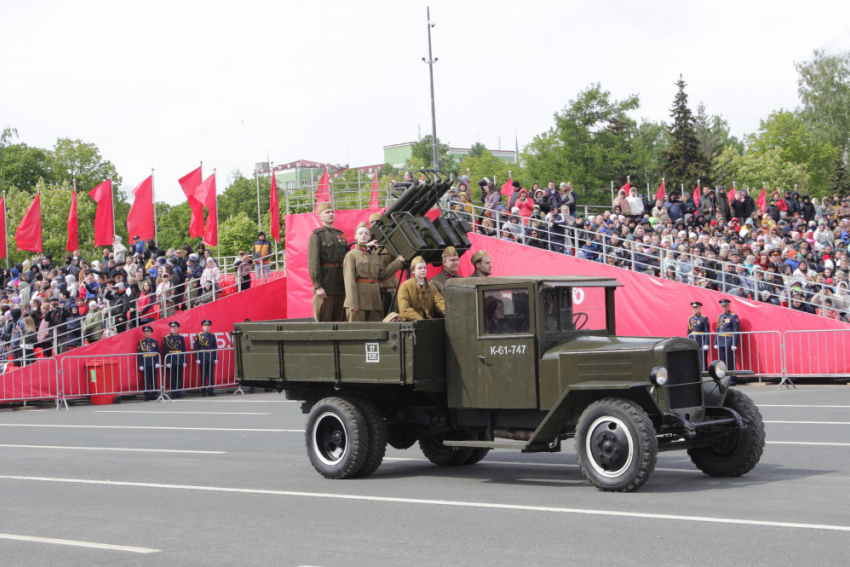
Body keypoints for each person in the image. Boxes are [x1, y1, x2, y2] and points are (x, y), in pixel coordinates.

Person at [342, 222, 404, 322]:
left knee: (375, 332)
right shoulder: (351, 255)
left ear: (369, 237)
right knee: (358, 332)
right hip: (359, 301)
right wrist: (353, 303)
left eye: (366, 233)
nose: (363, 235)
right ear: (355, 237)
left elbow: (383, 275)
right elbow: (349, 281)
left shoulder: (375, 256)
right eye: (360, 233)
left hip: (375, 301)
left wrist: (398, 262)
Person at [308, 203, 347, 322]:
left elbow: (347, 255)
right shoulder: (317, 235)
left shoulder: (340, 234)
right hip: (326, 286)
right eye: (327, 212)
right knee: (325, 322)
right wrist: (318, 286)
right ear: (320, 217)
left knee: (340, 322)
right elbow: (313, 262)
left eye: (332, 211)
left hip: (341, 285)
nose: (331, 214)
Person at [369, 212, 400, 315]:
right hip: (378, 288)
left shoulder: (390, 242)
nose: (375, 226)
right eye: (372, 223)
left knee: (393, 316)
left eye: (377, 223)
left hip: (391, 286)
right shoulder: (368, 245)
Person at [397, 257, 445, 321]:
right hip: (412, 324)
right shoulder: (405, 286)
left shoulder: (431, 288)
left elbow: (441, 303)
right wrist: (421, 320)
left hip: (428, 323)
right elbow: (404, 309)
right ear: (413, 271)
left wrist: (452, 312)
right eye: (419, 268)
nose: (423, 270)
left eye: (424, 268)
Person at [715, 299, 739, 379]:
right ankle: (724, 378)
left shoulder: (733, 316)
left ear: (729, 306)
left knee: (730, 360)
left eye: (725, 306)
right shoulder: (720, 316)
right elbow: (717, 330)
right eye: (723, 306)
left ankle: (732, 379)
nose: (724, 308)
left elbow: (736, 330)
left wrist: (734, 343)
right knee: (723, 361)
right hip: (721, 341)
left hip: (729, 341)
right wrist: (716, 342)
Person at [163, 321, 186, 399]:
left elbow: (183, 350)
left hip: (179, 359)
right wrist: (167, 362)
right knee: (172, 377)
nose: (173, 329)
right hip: (171, 359)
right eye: (172, 328)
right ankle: (173, 393)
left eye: (175, 328)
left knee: (179, 377)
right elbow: (165, 350)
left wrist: (184, 360)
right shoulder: (167, 338)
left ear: (177, 328)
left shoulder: (181, 338)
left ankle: (179, 392)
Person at [137, 325, 160, 401]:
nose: (147, 334)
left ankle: (154, 394)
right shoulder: (141, 342)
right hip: (145, 362)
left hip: (153, 361)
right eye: (145, 332)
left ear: (151, 333)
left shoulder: (154, 341)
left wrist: (158, 362)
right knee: (146, 379)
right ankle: (147, 395)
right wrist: (140, 364)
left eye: (148, 332)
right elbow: (139, 354)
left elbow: (158, 352)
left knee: (154, 379)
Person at [195, 319, 218, 397]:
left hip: (210, 356)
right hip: (202, 356)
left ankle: (211, 390)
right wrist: (197, 358)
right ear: (202, 327)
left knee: (211, 374)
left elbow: (215, 346)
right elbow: (196, 347)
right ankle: (204, 391)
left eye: (208, 326)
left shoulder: (212, 335)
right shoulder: (199, 335)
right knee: (203, 374)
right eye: (205, 326)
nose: (207, 327)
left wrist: (216, 357)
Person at [688, 301, 710, 370]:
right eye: (693, 308)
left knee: (702, 360)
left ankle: (704, 373)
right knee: (693, 359)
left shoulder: (703, 318)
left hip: (701, 342)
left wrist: (706, 343)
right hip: (692, 341)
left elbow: (707, 331)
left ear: (699, 308)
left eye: (696, 308)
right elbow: (689, 332)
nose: (694, 310)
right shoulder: (690, 318)